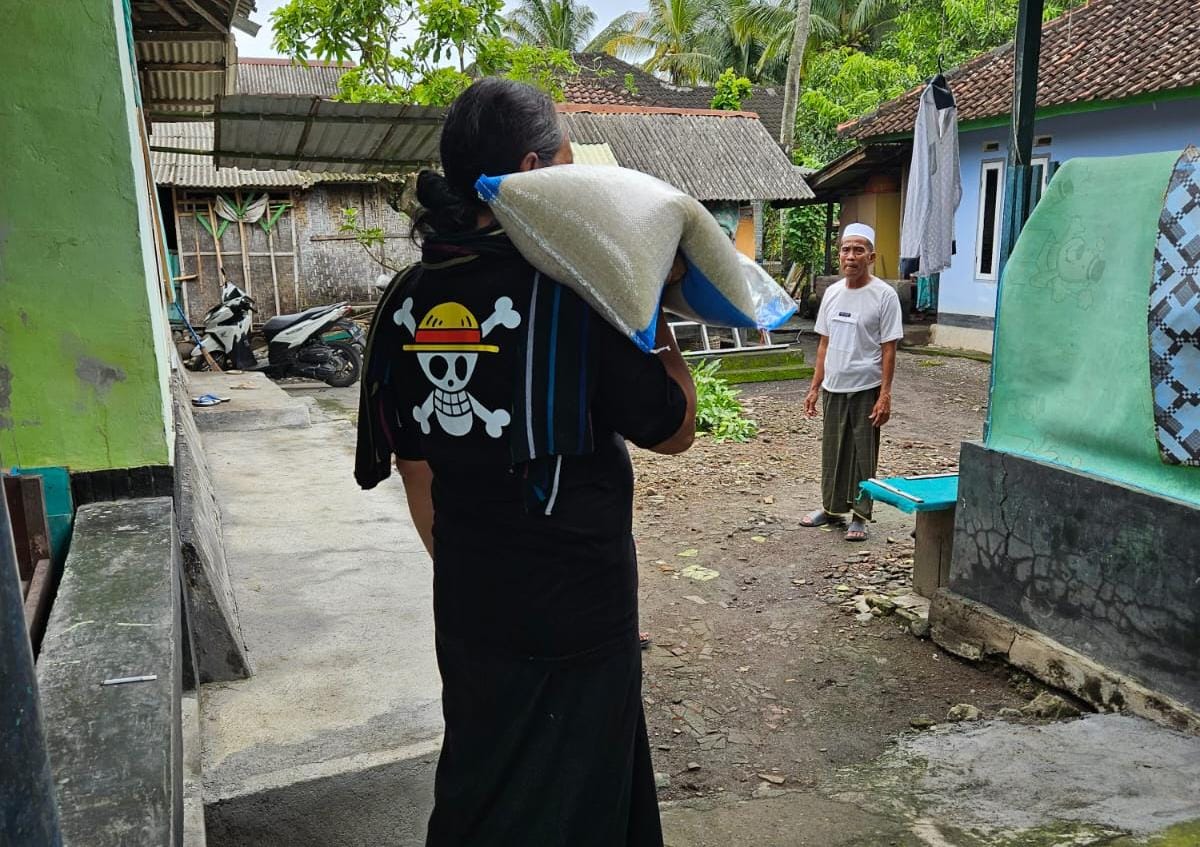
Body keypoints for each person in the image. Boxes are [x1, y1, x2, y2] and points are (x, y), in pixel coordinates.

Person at [354, 77, 696, 847]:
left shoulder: (406, 300)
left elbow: (416, 468)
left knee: (482, 782)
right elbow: (676, 428)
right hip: (580, 611)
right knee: (583, 798)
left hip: (470, 602)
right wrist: (655, 313)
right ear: (538, 170)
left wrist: (482, 567)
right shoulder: (577, 294)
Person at [800, 223, 904, 542]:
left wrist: (885, 395)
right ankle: (831, 509)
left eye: (859, 250)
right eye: (846, 249)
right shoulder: (832, 293)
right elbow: (823, 344)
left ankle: (860, 515)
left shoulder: (884, 296)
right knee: (832, 451)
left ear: (870, 257)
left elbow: (889, 349)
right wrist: (814, 387)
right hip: (834, 385)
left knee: (862, 453)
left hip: (866, 387)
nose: (851, 256)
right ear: (839, 255)